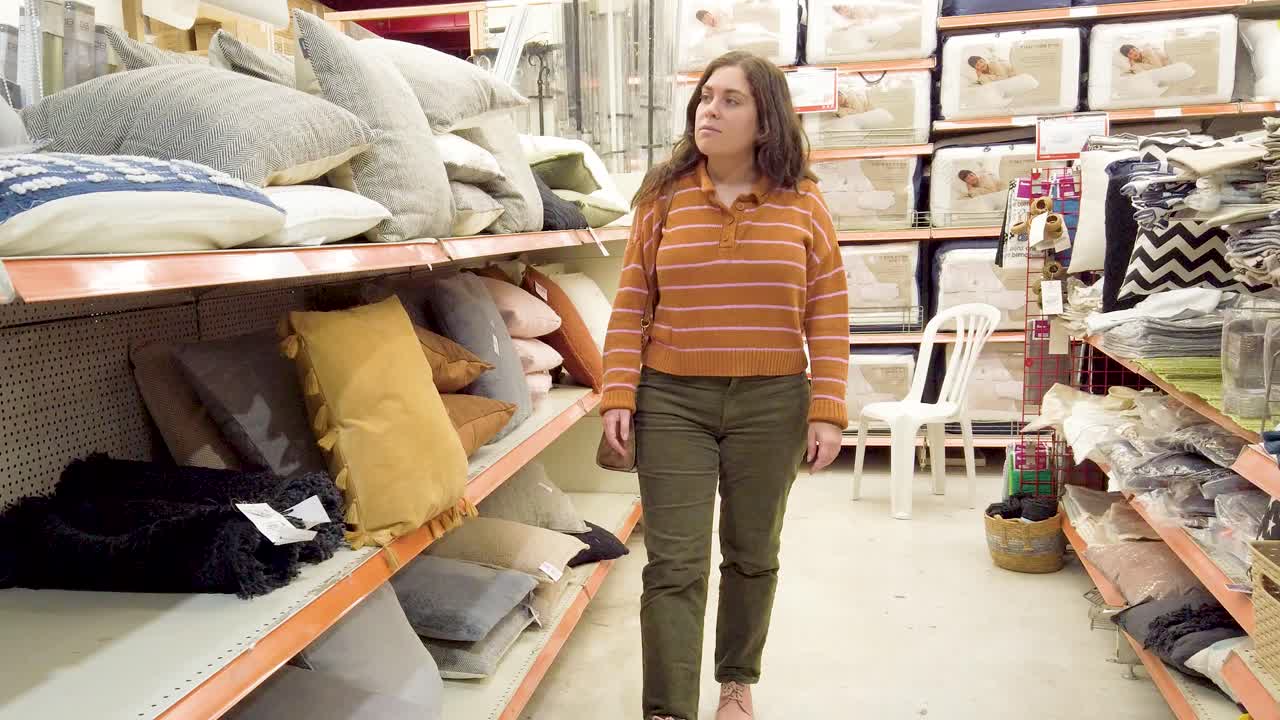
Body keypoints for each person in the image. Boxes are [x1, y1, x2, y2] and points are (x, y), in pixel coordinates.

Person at [600, 50, 850, 720]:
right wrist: (618, 391)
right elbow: (631, 301)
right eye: (706, 96)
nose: (709, 110)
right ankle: (668, 710)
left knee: (752, 554)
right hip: (671, 399)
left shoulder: (804, 203)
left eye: (730, 99)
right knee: (673, 564)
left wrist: (828, 409)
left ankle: (736, 682)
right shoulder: (664, 197)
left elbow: (828, 308)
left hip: (773, 403)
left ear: (766, 120)